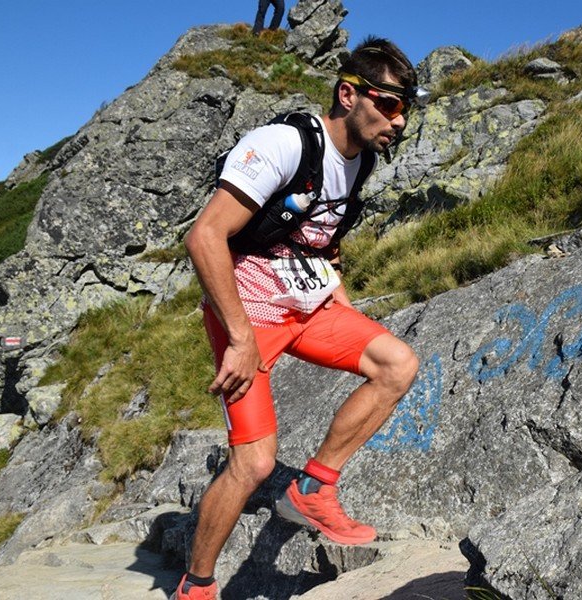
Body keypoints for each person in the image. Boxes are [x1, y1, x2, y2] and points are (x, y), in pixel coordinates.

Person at [171, 37, 423, 600]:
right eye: (388, 104)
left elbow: (322, 242)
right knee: (253, 463)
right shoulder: (284, 144)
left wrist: (343, 305)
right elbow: (205, 237)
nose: (399, 120)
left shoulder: (361, 163)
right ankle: (197, 586)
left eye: (405, 108)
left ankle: (313, 489)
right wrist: (240, 340)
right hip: (248, 316)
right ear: (348, 94)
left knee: (396, 364)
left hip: (306, 305)